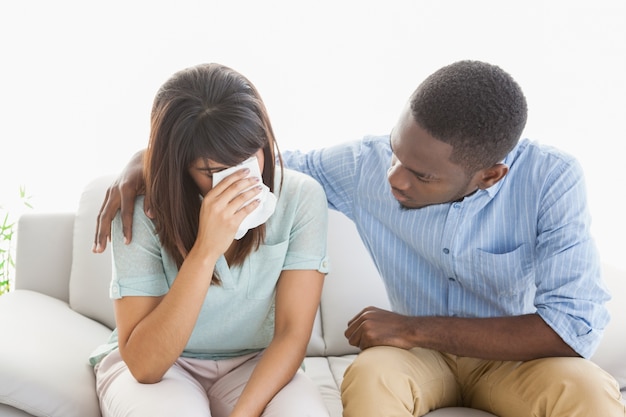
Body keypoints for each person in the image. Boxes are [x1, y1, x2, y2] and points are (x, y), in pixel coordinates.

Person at [93, 60, 625, 417]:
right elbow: (259, 163)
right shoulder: (364, 166)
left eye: (421, 176)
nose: (394, 178)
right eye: (396, 153)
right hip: (416, 359)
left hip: (513, 358)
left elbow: (570, 327)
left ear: (490, 175)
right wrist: (149, 159)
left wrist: (413, 328)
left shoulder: (551, 179)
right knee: (372, 381)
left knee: (593, 394)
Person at [88, 63, 331, 417]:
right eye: (214, 171)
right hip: (165, 367)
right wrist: (205, 251)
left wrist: (242, 414)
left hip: (255, 363)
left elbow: (292, 334)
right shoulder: (142, 209)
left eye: (250, 158)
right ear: (180, 166)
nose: (239, 179)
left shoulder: (300, 197)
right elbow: (145, 365)